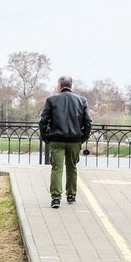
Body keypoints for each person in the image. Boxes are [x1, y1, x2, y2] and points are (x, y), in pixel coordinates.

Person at [38, 75, 93, 208]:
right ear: (71, 85)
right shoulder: (82, 100)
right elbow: (88, 122)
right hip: (74, 139)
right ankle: (71, 195)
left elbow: (43, 120)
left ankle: (56, 198)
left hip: (56, 139)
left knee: (57, 168)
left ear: (60, 86)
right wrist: (82, 138)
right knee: (72, 167)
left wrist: (45, 137)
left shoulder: (51, 100)